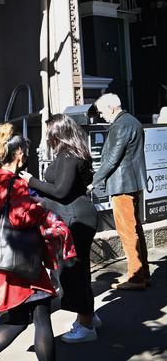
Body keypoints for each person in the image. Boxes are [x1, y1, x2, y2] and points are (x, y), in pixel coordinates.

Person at [0, 124, 57, 361]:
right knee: (41, 317)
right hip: (25, 263)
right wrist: (40, 209)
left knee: (17, 321)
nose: (26, 155)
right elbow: (20, 218)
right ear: (18, 155)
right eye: (25, 151)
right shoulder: (15, 184)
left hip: (3, 265)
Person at [19, 113, 101, 343]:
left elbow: (61, 192)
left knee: (74, 272)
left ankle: (86, 326)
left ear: (58, 132)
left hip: (75, 217)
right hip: (77, 213)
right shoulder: (75, 153)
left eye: (49, 132)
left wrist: (30, 181)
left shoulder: (68, 155)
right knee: (80, 270)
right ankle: (88, 317)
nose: (47, 136)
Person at [92, 93, 150, 290]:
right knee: (135, 229)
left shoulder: (120, 125)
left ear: (111, 108)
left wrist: (93, 181)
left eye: (101, 112)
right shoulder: (132, 121)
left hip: (122, 184)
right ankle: (143, 274)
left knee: (127, 231)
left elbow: (111, 159)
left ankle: (136, 277)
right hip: (132, 183)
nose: (101, 116)